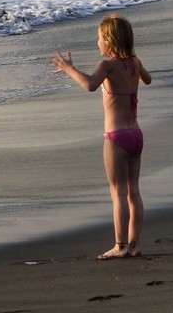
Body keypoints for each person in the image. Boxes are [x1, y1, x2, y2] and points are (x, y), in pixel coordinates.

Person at [51, 14, 153, 259]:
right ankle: (135, 244)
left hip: (116, 136)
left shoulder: (107, 66)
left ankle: (120, 246)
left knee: (117, 193)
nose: (97, 43)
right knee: (134, 192)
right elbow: (147, 80)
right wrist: (131, 75)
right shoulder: (134, 63)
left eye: (99, 38)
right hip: (136, 134)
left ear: (109, 41)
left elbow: (89, 85)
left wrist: (69, 69)